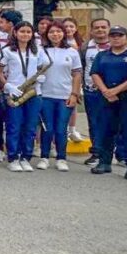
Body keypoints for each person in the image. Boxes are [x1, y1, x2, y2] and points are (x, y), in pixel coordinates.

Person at [0, 21, 49, 172]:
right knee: (14, 126)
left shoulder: (38, 50)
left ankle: (26, 157)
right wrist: (7, 86)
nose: (25, 34)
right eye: (22, 31)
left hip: (34, 92)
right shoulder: (7, 50)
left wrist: (41, 77)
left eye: (28, 32)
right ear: (15, 33)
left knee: (30, 127)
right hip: (15, 92)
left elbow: (43, 68)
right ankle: (13, 158)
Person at [89, 26, 127, 176]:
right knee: (106, 130)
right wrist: (105, 91)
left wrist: (117, 90)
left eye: (120, 35)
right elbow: (95, 73)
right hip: (106, 98)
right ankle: (104, 162)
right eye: (113, 35)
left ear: (126, 38)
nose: (116, 38)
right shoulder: (102, 55)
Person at [37, 23, 82, 171]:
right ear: (47, 34)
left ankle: (61, 158)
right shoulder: (40, 50)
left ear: (63, 33)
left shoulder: (72, 52)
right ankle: (44, 157)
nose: (55, 34)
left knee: (61, 129)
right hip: (45, 94)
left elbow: (77, 74)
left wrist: (74, 94)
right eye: (52, 32)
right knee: (47, 128)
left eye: (58, 31)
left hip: (65, 95)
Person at [0, 10, 23, 162]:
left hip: (20, 85)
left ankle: (15, 149)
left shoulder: (28, 37)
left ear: (10, 23)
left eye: (2, 22)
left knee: (16, 120)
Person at [80, 18, 112, 166]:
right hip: (91, 91)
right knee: (94, 122)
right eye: (97, 27)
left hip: (113, 91)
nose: (100, 30)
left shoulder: (115, 45)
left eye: (103, 27)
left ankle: (119, 153)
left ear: (109, 29)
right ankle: (96, 153)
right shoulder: (86, 47)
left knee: (115, 123)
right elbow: (81, 66)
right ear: (92, 30)